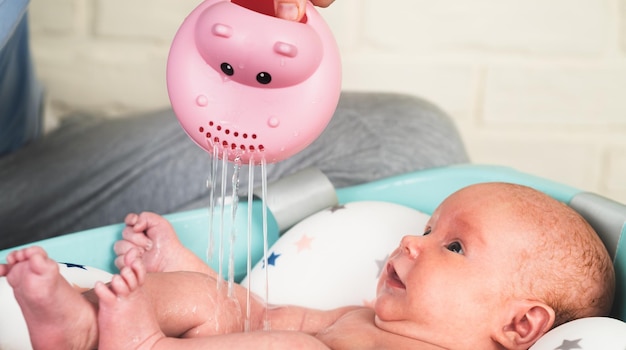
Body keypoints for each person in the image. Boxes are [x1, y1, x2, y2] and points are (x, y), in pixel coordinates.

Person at [0, 182, 615, 349]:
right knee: (240, 310)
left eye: (452, 247)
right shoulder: (362, 318)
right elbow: (259, 315)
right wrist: (189, 272)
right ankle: (82, 325)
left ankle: (141, 346)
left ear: (519, 326)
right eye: (427, 228)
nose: (410, 241)